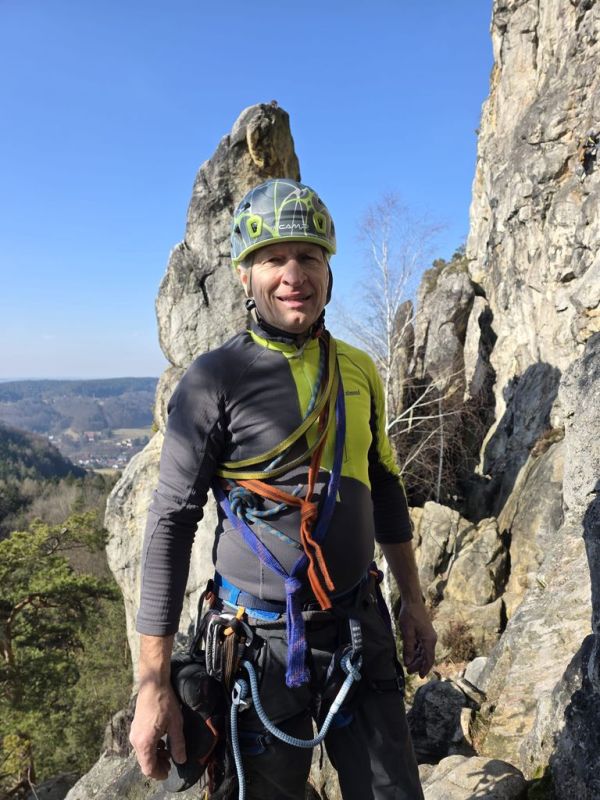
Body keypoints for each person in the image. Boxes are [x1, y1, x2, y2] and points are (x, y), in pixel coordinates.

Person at [130, 178, 437, 799]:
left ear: (328, 270)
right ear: (245, 276)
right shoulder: (213, 381)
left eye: (308, 257)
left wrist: (413, 601)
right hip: (257, 646)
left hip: (357, 625)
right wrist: (152, 684)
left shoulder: (358, 369)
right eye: (273, 259)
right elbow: (170, 524)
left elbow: (384, 487)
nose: (294, 275)